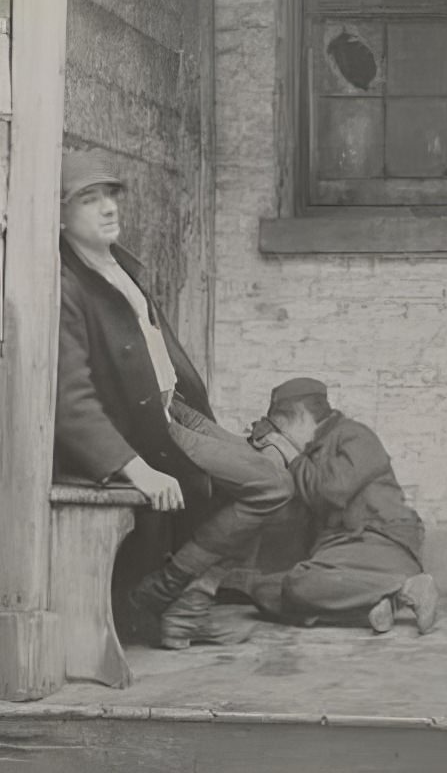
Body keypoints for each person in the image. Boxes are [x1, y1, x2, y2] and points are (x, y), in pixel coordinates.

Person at [54, 150, 293, 649]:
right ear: (59, 215)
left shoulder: (119, 262)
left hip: (172, 407)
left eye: (110, 196)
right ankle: (159, 595)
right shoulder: (66, 286)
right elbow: (71, 401)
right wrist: (135, 467)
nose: (108, 208)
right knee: (268, 488)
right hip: (143, 428)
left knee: (271, 476)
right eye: (88, 200)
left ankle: (190, 603)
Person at [246, 377, 439, 635]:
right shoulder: (311, 451)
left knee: (297, 585)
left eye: (281, 431)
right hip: (341, 556)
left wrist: (289, 454)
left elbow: (329, 492)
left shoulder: (355, 436)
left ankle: (406, 588)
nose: (281, 440)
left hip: (381, 544)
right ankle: (378, 604)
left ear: (302, 416)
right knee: (263, 590)